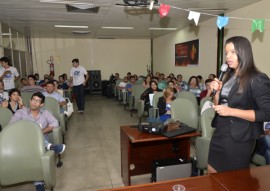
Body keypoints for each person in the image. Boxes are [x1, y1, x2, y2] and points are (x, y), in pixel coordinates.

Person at [207, 36, 270, 173]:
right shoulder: (228, 76)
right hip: (220, 132)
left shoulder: (257, 79)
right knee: (212, 172)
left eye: (233, 52)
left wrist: (231, 111)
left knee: (231, 181)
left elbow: (267, 113)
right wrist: (216, 93)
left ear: (244, 52)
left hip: (239, 137)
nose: (228, 57)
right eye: (226, 53)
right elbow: (220, 106)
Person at [9, 92, 65, 191]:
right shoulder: (21, 112)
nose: (34, 103)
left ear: (42, 104)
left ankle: (38, 183)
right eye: (33, 100)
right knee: (37, 148)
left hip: (40, 140)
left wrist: (41, 131)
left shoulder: (45, 113)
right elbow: (11, 125)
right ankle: (49, 147)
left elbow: (55, 123)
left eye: (38, 101)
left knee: (38, 150)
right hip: (24, 140)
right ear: (30, 101)